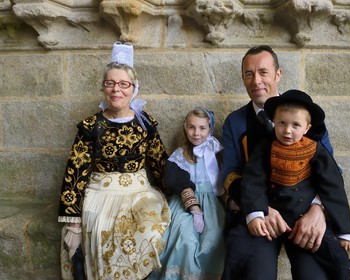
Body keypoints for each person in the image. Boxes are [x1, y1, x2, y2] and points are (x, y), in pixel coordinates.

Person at [58, 41, 170, 280]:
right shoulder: (90, 126)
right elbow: (75, 171)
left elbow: (160, 162)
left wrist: (182, 194)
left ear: (134, 88)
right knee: (102, 231)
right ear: (103, 88)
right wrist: (73, 224)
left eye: (123, 84)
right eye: (110, 83)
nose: (116, 90)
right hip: (100, 194)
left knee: (150, 230)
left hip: (138, 193)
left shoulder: (145, 123)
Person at [221, 45, 335, 280]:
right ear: (243, 78)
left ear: (278, 74)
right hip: (260, 216)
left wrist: (318, 209)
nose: (256, 81)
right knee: (255, 273)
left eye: (263, 72)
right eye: (249, 74)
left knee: (315, 274)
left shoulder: (306, 114)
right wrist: (260, 209)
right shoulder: (235, 122)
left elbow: (330, 169)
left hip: (304, 211)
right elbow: (230, 175)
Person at [242, 89, 350, 280]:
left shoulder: (315, 149)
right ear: (274, 123)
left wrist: (345, 232)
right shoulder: (265, 146)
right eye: (281, 123)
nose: (287, 130)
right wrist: (255, 213)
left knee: (332, 255)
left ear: (307, 128)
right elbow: (253, 180)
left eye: (295, 125)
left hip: (303, 213)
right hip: (272, 216)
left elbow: (332, 185)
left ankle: (342, 269)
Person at [149, 107, 226, 279]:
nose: (196, 133)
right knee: (185, 239)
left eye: (202, 128)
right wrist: (193, 207)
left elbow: (226, 178)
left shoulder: (217, 152)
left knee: (213, 238)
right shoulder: (180, 155)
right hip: (184, 204)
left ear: (210, 129)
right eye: (191, 127)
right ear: (185, 128)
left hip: (212, 204)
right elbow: (174, 179)